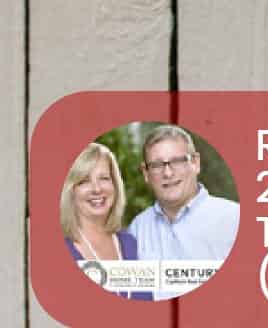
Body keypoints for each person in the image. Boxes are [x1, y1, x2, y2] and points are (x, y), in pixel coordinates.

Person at [127, 123, 240, 299]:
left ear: (195, 163)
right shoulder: (138, 229)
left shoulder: (234, 218)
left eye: (177, 161)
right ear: (146, 173)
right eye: (157, 165)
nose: (168, 173)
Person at [59, 141, 151, 300]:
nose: (96, 188)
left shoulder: (132, 244)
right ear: (71, 190)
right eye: (84, 181)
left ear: (115, 185)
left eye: (104, 178)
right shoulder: (61, 251)